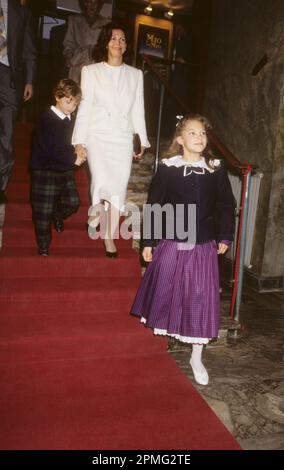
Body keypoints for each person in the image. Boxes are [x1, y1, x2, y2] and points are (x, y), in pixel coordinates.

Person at [131, 114, 236, 386]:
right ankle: (164, 339)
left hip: (202, 244)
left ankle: (196, 356)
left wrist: (225, 235)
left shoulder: (215, 168)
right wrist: (149, 242)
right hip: (173, 242)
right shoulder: (168, 168)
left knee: (200, 297)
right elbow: (154, 206)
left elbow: (226, 204)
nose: (199, 137)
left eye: (202, 133)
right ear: (179, 139)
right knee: (167, 289)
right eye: (192, 133)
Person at [72, 21, 150, 257]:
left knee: (118, 187)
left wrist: (142, 140)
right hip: (98, 135)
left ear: (127, 46)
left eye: (123, 39)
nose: (118, 43)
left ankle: (109, 236)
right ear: (106, 43)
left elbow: (139, 109)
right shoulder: (91, 71)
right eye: (114, 38)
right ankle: (96, 214)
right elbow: (84, 108)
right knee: (101, 179)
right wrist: (79, 140)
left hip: (122, 137)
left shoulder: (136, 75)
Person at [30, 79, 86, 256]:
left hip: (63, 169)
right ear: (57, 97)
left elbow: (74, 139)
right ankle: (44, 245)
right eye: (68, 101)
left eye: (75, 104)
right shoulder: (47, 119)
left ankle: (58, 214)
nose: (72, 107)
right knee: (42, 212)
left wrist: (79, 147)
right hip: (45, 170)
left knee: (73, 202)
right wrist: (73, 160)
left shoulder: (72, 120)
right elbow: (52, 149)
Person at [0, 0, 37, 205]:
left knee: (6, 133)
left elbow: (29, 50)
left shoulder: (21, 12)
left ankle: (1, 184)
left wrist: (29, 80)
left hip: (9, 79)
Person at [63, 0, 108, 83]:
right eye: (90, 2)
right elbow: (69, 41)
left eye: (95, 3)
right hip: (77, 62)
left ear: (99, 5)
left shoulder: (106, 23)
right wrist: (68, 56)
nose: (92, 5)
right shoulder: (74, 20)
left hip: (96, 64)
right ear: (85, 3)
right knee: (75, 92)